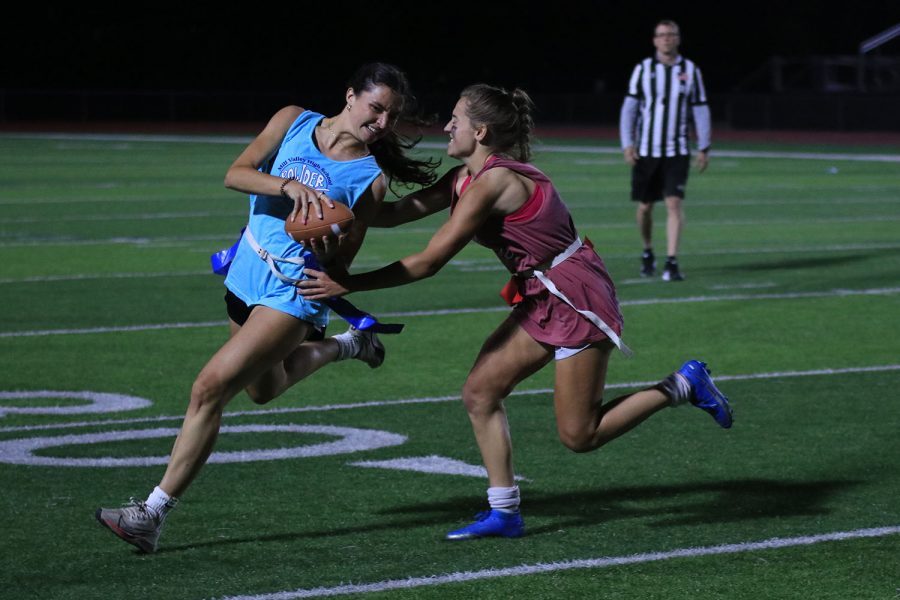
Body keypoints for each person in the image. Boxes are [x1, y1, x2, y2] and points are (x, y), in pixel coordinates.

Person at [299, 84, 733, 540]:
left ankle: (683, 385)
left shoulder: (494, 182)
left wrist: (349, 282)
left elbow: (428, 262)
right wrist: (326, 191)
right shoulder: (463, 178)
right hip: (541, 295)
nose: (447, 126)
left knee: (580, 435)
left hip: (576, 298)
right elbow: (388, 215)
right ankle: (504, 512)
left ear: (480, 131)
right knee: (480, 392)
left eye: (456, 119)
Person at [95, 62, 439, 553]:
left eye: (391, 115)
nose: (382, 122)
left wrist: (328, 258)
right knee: (264, 387)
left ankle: (150, 513)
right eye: (376, 107)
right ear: (350, 96)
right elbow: (235, 175)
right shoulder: (294, 120)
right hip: (246, 268)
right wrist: (286, 186)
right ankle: (349, 346)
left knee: (209, 388)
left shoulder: (369, 179)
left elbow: (339, 266)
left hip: (291, 294)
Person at [619, 19, 711, 281]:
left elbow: (700, 108)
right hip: (647, 151)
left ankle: (671, 261)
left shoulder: (691, 70)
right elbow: (629, 109)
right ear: (655, 40)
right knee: (645, 207)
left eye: (671, 34)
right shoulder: (643, 70)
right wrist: (627, 143)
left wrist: (704, 146)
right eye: (662, 35)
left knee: (674, 203)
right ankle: (648, 251)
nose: (667, 39)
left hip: (677, 150)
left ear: (678, 39)